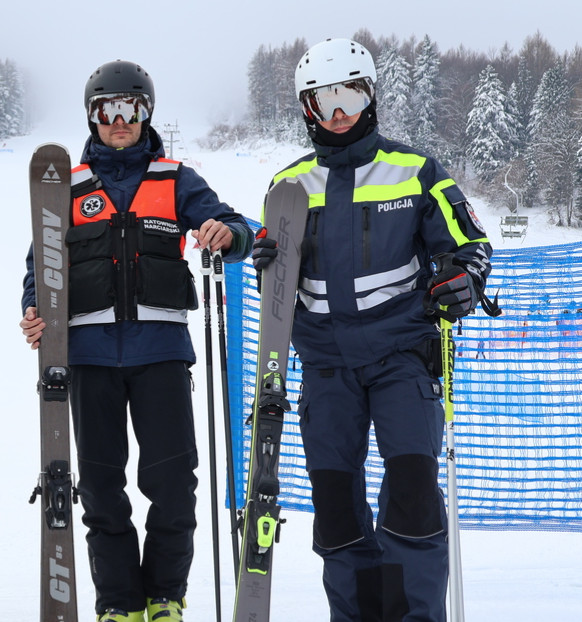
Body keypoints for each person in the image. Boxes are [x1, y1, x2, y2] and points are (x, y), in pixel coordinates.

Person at [251, 38, 493, 621]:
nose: (340, 112)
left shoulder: (414, 171)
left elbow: (470, 247)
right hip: (326, 363)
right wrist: (268, 264)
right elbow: (280, 291)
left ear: (370, 96)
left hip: (401, 354)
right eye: (326, 98)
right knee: (335, 506)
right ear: (307, 107)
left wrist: (462, 281)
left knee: (412, 493)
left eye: (351, 95)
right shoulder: (289, 187)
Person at [20, 60, 252, 622]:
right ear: (92, 117)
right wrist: (34, 308)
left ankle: (165, 597)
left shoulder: (176, 180)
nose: (118, 121)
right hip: (89, 357)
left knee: (173, 482)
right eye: (107, 110)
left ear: (146, 113)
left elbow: (232, 225)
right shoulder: (66, 187)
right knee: (101, 489)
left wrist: (229, 233)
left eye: (130, 109)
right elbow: (40, 266)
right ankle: (119, 604)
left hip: (161, 355)